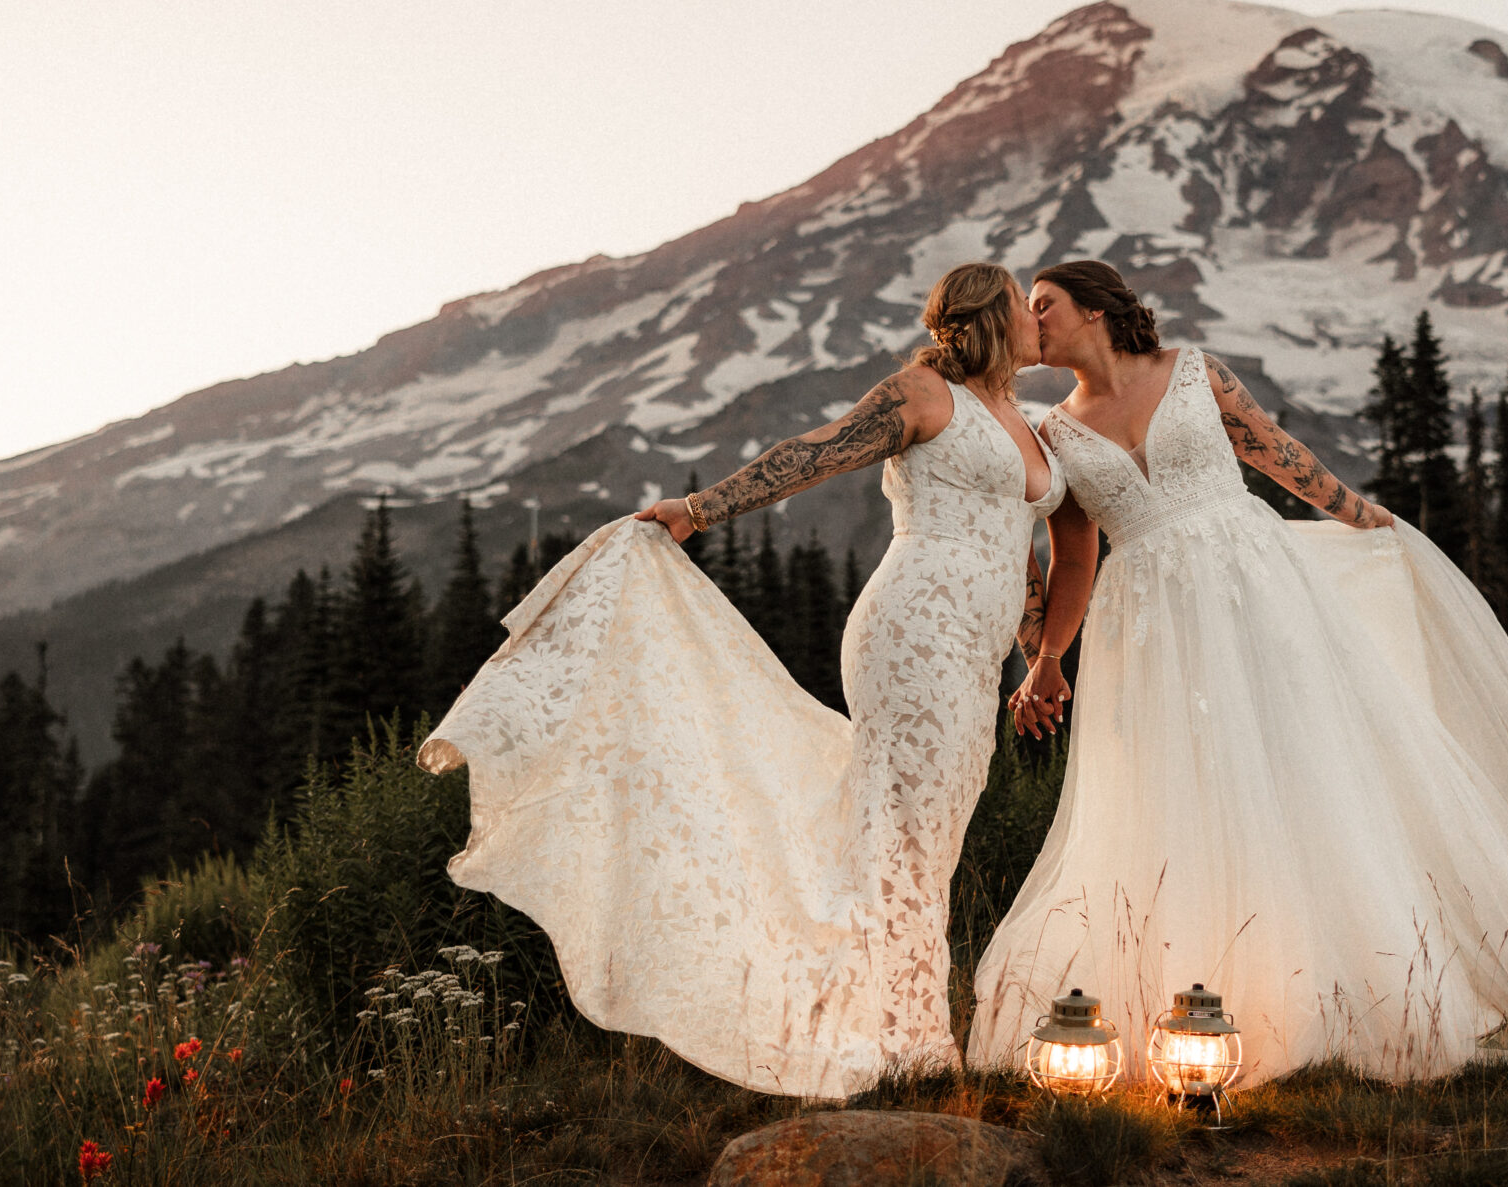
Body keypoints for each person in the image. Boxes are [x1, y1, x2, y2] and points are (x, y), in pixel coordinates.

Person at [970, 261, 1508, 1087]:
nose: (1031, 319)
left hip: (1251, 586)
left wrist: (1362, 515)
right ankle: (1225, 992)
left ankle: (1368, 977)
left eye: (1044, 305)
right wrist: (1045, 657)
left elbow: (1275, 451)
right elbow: (1076, 552)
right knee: (1181, 792)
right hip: (1147, 628)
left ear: (1096, 308)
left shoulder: (1194, 372)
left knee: (1309, 770)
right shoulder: (1054, 431)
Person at [419, 262, 1061, 1099]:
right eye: (1023, 302)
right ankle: (907, 1044)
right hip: (911, 635)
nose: (1036, 317)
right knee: (901, 834)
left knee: (928, 839)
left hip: (977, 660)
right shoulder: (923, 394)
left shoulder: (1020, 420)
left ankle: (881, 1025)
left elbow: (1018, 549)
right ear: (987, 317)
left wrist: (1042, 656)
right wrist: (702, 507)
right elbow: (812, 455)